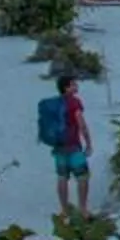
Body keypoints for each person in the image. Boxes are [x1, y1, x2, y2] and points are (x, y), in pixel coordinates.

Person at [49, 72, 91, 210]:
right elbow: (81, 124)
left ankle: (64, 209)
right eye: (73, 84)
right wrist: (88, 143)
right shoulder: (74, 102)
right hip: (73, 145)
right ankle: (82, 208)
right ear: (66, 88)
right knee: (82, 176)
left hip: (59, 146)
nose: (76, 86)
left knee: (62, 177)